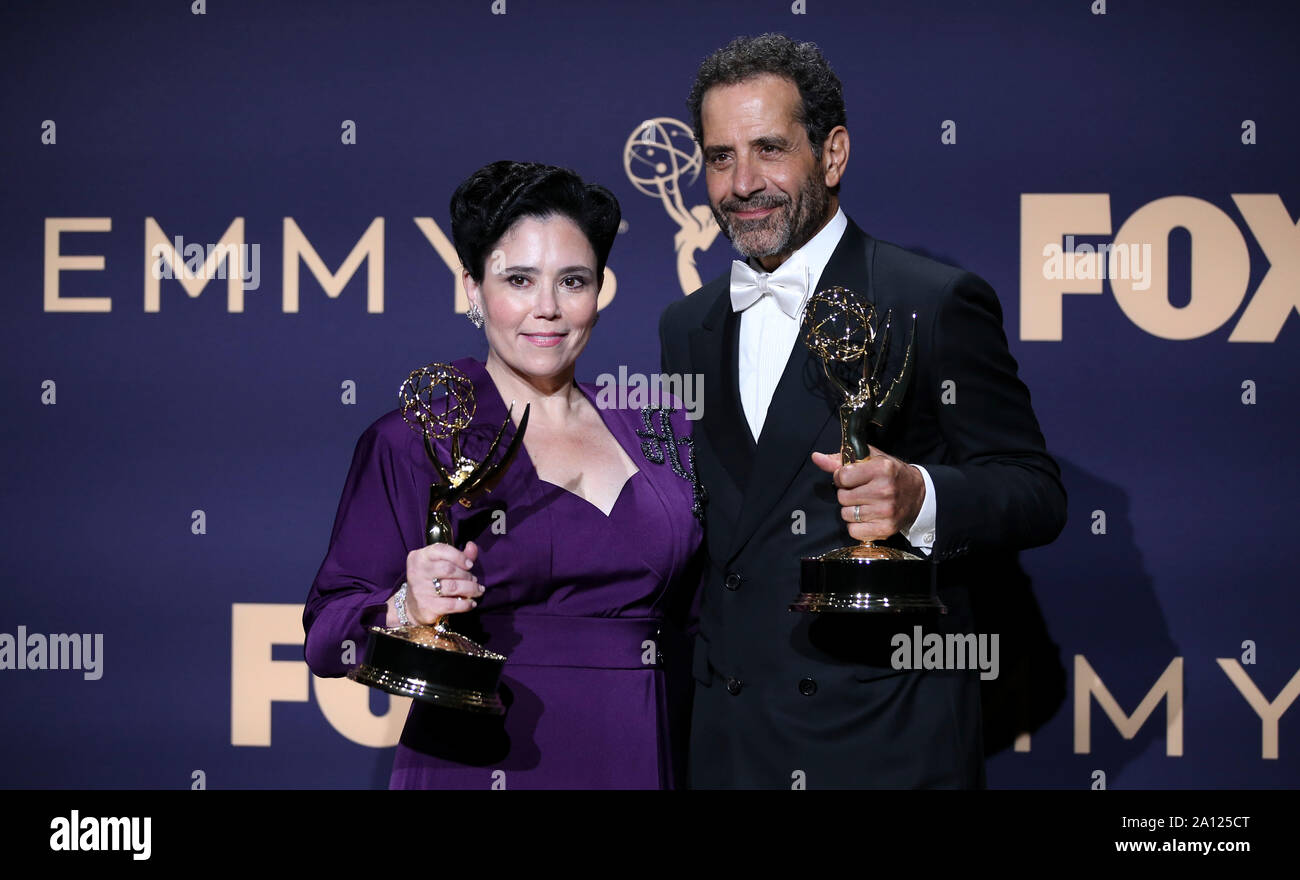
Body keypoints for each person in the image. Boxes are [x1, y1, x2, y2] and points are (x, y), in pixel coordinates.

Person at [659, 34, 1068, 788]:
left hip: (881, 737)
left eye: (769, 149)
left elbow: (1036, 492)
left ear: (833, 154)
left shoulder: (932, 301)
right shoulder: (686, 324)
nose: (742, 183)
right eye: (720, 157)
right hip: (728, 741)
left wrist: (921, 496)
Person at [305, 160, 705, 789]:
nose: (546, 308)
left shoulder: (661, 429)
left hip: (641, 752)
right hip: (475, 761)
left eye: (572, 281)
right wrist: (406, 607)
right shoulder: (417, 438)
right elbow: (329, 638)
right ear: (472, 287)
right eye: (519, 279)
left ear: (600, 290)